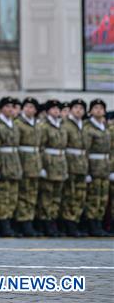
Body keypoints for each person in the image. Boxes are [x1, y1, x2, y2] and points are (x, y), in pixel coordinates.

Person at [36, 99, 68, 236]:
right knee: (47, 194)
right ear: (48, 111)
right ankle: (45, 221)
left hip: (60, 163)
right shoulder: (44, 126)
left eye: (58, 109)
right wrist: (42, 166)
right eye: (53, 109)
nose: (56, 111)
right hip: (48, 163)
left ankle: (53, 220)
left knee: (57, 195)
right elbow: (40, 147)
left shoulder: (62, 125)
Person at [0, 97, 22, 238]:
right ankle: (2, 223)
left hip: (14, 162)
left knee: (12, 195)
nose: (10, 109)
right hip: (3, 161)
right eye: (7, 106)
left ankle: (10, 221)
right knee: (3, 195)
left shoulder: (15, 125)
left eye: (12, 106)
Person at [14, 97, 42, 237]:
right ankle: (23, 222)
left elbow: (40, 146)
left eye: (32, 107)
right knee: (23, 193)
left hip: (35, 162)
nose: (29, 109)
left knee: (32, 194)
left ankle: (30, 220)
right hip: (23, 161)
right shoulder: (18, 123)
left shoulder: (38, 124)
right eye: (26, 107)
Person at [61, 98, 89, 237]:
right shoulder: (65, 125)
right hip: (70, 164)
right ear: (71, 110)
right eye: (76, 107)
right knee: (69, 195)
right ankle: (68, 223)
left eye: (81, 108)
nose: (79, 110)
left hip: (82, 165)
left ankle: (76, 221)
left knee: (80, 195)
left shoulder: (84, 126)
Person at [84, 99, 111, 237]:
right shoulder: (88, 128)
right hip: (94, 167)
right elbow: (86, 151)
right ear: (90, 111)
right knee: (93, 197)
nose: (99, 110)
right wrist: (86, 171)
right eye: (95, 108)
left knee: (103, 198)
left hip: (104, 168)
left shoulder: (105, 127)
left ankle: (99, 224)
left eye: (101, 108)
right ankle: (92, 224)